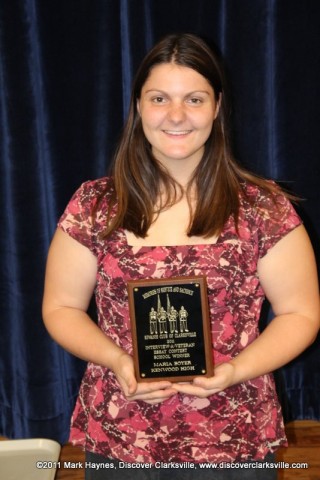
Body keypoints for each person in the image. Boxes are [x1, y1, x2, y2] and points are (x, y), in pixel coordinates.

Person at [42, 33, 320, 479]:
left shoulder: (263, 208)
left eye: (194, 99)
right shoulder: (94, 206)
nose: (176, 115)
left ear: (217, 107)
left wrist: (233, 371)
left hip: (234, 433)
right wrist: (119, 362)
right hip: (122, 433)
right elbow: (61, 307)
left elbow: (300, 314)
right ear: (138, 106)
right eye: (159, 98)